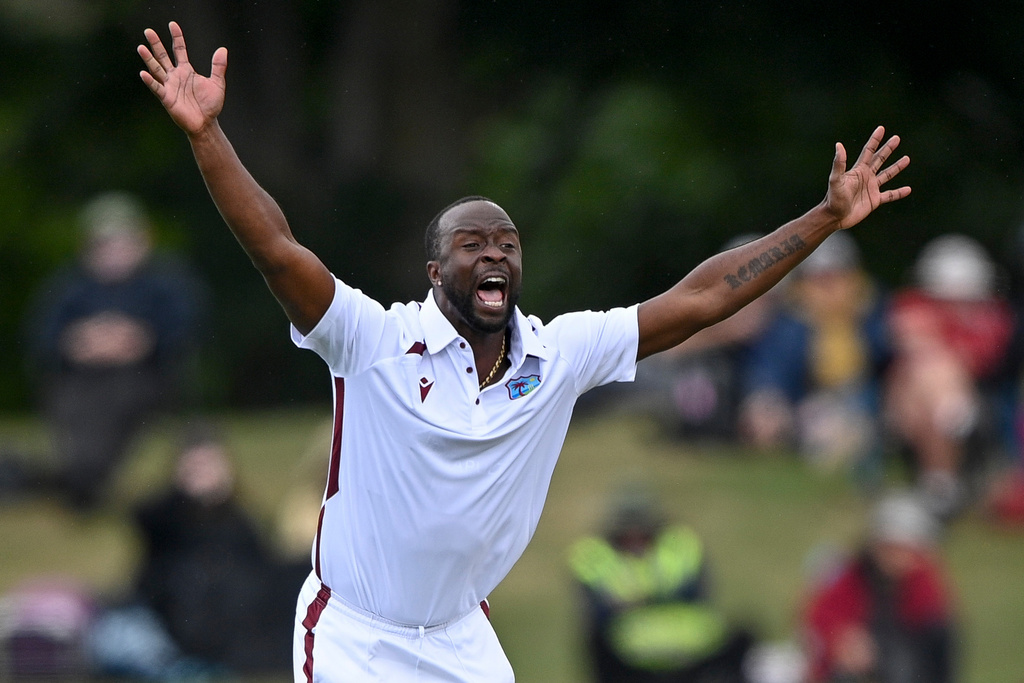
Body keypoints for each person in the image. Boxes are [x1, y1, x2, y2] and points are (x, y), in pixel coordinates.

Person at [136, 21, 910, 683]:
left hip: (462, 637)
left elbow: (700, 300)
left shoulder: (560, 353)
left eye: (506, 242)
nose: (494, 254)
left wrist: (823, 219)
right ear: (436, 271)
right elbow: (277, 250)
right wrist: (208, 137)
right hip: (354, 636)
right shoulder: (372, 338)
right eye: (471, 244)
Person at [23, 191, 205, 510]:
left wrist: (141, 341)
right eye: (104, 245)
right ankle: (82, 475)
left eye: (122, 242)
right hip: (81, 380)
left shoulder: (163, 283)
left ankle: (84, 478)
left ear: (143, 241)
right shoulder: (71, 289)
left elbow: (186, 329)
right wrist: (78, 343)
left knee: (116, 401)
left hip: (143, 378)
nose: (113, 253)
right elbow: (43, 338)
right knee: (73, 405)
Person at [126, 426, 307, 676]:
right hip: (180, 622)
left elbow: (264, 567)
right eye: (195, 467)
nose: (203, 475)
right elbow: (143, 520)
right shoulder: (166, 519)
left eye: (210, 465)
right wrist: (182, 495)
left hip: (238, 622)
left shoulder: (239, 519)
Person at [738, 231, 891, 479]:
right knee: (770, 416)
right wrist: (765, 399)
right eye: (820, 278)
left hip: (865, 400)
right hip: (806, 401)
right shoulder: (789, 318)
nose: (829, 286)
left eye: (836, 276)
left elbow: (887, 359)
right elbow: (771, 365)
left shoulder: (875, 311)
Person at [882, 234, 1015, 517]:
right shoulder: (912, 305)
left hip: (970, 396)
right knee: (928, 372)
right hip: (915, 398)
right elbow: (905, 339)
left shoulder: (991, 316)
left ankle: (939, 482)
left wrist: (935, 348)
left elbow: (979, 362)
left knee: (934, 371)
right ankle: (943, 473)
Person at [568, 488, 754, 682]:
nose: (635, 536)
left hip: (694, 654)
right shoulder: (593, 556)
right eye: (627, 533)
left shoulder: (681, 545)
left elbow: (700, 595)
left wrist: (635, 601)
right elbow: (596, 614)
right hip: (630, 662)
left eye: (641, 531)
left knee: (745, 637)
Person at [801, 491, 958, 683]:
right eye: (889, 547)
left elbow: (933, 630)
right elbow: (819, 619)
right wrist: (842, 640)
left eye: (903, 549)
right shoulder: (853, 574)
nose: (896, 557)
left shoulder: (924, 579)